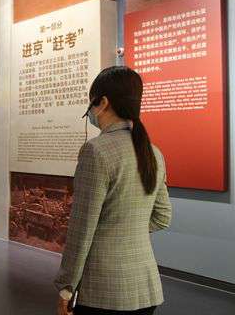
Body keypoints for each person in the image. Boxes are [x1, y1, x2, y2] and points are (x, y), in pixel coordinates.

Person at [55, 67, 172, 315]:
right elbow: (162, 217)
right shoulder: (154, 153)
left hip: (104, 288)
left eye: (91, 103)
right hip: (146, 287)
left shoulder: (96, 151)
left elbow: (82, 229)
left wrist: (66, 286)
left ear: (103, 102)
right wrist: (125, 228)